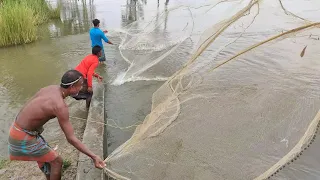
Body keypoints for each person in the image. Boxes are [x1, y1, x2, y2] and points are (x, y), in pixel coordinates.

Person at [8, 70, 106, 180]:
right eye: (80, 85)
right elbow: (71, 139)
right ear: (72, 86)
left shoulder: (50, 88)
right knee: (57, 161)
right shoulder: (60, 106)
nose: (82, 88)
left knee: (48, 160)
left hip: (16, 128)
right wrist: (94, 156)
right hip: (22, 136)